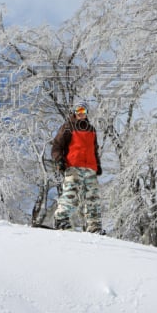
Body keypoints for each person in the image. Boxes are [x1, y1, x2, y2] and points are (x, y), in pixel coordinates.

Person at [50, 100, 103, 233]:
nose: (80, 114)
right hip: (73, 166)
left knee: (93, 197)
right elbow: (57, 145)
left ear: (86, 113)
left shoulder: (91, 129)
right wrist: (59, 160)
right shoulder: (68, 126)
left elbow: (94, 149)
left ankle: (94, 226)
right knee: (71, 194)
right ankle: (61, 219)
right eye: (78, 111)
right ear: (74, 112)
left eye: (83, 111)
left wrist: (97, 164)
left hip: (90, 168)